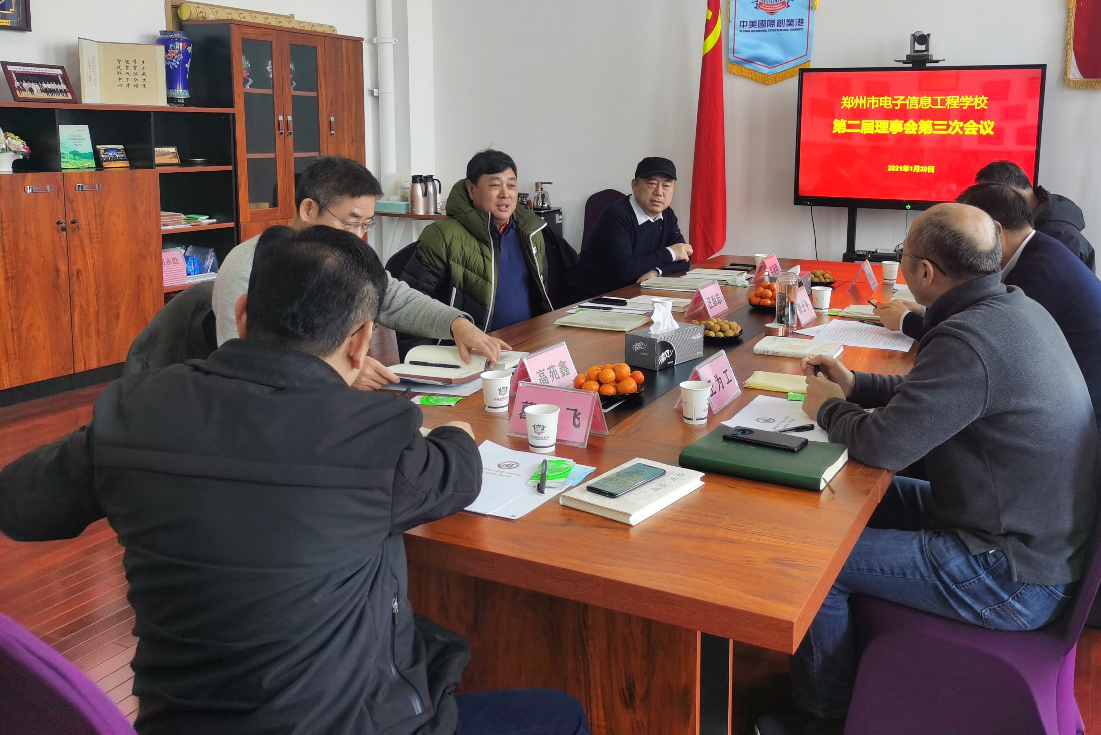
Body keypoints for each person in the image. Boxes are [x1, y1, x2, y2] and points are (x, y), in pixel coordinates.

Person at [0, 225, 589, 735]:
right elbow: (457, 476)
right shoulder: (373, 434)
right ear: (361, 342)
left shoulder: (134, 409)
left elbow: (20, 507)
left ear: (241, 315)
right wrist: (456, 433)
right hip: (347, 724)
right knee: (560, 714)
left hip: (177, 722)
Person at [757, 204, 1096, 735]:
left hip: (1010, 574)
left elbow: (884, 445)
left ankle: (820, 715)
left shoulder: (968, 339)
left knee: (819, 566)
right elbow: (939, 394)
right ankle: (833, 665)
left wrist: (827, 408)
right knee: (836, 495)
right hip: (1021, 533)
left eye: (903, 255)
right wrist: (855, 384)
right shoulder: (1011, 307)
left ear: (923, 271)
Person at [212, 156, 507, 390]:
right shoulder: (248, 265)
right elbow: (241, 359)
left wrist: (456, 323)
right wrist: (336, 368)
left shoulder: (344, 258)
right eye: (350, 223)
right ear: (308, 209)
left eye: (366, 225)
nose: (358, 237)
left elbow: (395, 299)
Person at [879, 183, 1101, 438]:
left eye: (962, 237)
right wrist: (926, 313)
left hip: (1089, 425)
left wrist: (906, 322)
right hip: (1077, 406)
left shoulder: (1037, 274)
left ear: (995, 231)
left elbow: (977, 347)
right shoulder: (1039, 251)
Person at [398, 149, 551, 344]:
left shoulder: (531, 232)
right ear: (471, 189)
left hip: (527, 344)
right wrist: (421, 360)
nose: (505, 194)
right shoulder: (442, 236)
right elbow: (411, 308)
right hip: (467, 352)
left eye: (511, 185)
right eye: (495, 185)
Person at [571, 156, 693, 299]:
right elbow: (625, 270)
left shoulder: (667, 214)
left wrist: (656, 271)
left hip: (636, 293)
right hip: (597, 298)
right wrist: (670, 253)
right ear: (634, 185)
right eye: (652, 184)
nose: (659, 192)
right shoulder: (616, 214)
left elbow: (684, 258)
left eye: (666, 185)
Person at [974, 159, 1096, 271]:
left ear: (1010, 193)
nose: (985, 208)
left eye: (989, 198)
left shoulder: (1064, 239)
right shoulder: (1037, 225)